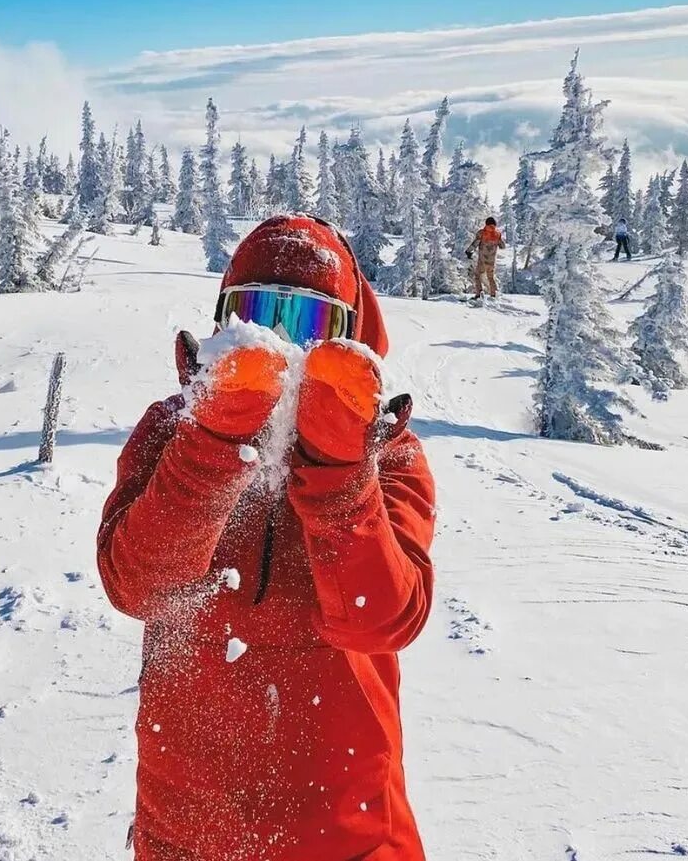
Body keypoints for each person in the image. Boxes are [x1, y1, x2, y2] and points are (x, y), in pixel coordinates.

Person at [97, 215, 436, 861]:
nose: (279, 342)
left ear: (350, 339)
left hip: (350, 832)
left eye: (306, 324)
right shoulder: (173, 428)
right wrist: (214, 440)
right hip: (185, 830)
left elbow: (384, 618)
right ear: (225, 325)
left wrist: (341, 469)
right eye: (256, 313)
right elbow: (137, 584)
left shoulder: (388, 453)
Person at [465, 215, 505, 298]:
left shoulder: (481, 233)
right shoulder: (497, 234)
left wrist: (468, 251)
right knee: (491, 278)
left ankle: (479, 294)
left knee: (477, 276)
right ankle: (493, 295)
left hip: (482, 260)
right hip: (492, 261)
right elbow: (502, 246)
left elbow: (475, 244)